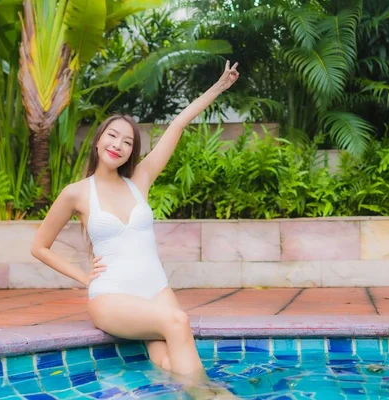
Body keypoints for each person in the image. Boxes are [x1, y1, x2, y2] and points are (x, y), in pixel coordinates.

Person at [30, 61, 240, 392]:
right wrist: (83, 277)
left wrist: (218, 87)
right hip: (112, 298)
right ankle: (215, 397)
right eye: (112, 136)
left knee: (168, 363)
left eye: (127, 141)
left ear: (131, 151)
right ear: (98, 141)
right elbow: (38, 246)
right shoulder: (77, 193)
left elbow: (178, 125)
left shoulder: (139, 180)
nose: (118, 144)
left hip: (156, 290)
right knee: (177, 321)